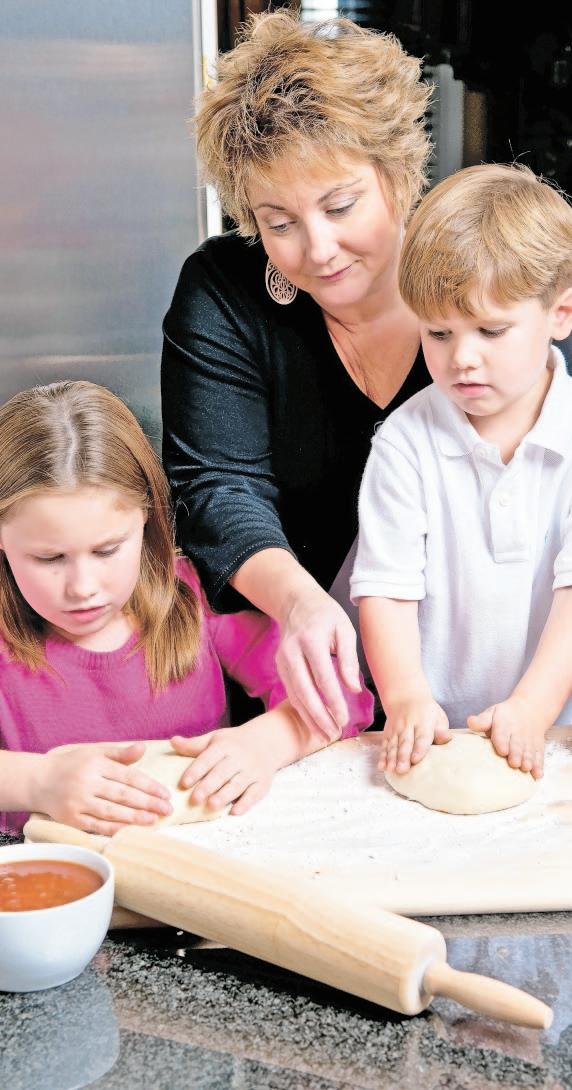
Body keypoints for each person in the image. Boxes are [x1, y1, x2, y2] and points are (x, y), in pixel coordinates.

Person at [161, 10, 432, 740]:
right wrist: (301, 603)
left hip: (468, 679)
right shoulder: (225, 292)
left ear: (398, 175)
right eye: (279, 222)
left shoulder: (476, 276)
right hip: (290, 688)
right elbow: (218, 488)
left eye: (340, 206)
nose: (318, 249)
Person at [0, 381, 373, 837]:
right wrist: (36, 782)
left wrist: (268, 742)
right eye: (49, 558)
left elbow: (344, 696)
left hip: (207, 858)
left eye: (107, 550)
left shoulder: (194, 599)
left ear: (145, 517)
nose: (83, 587)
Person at [350, 163, 572, 781]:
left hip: (555, 733)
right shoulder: (404, 443)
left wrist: (531, 709)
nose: (462, 358)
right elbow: (387, 589)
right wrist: (406, 698)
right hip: (435, 733)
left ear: (561, 313)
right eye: (438, 333)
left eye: (491, 330)